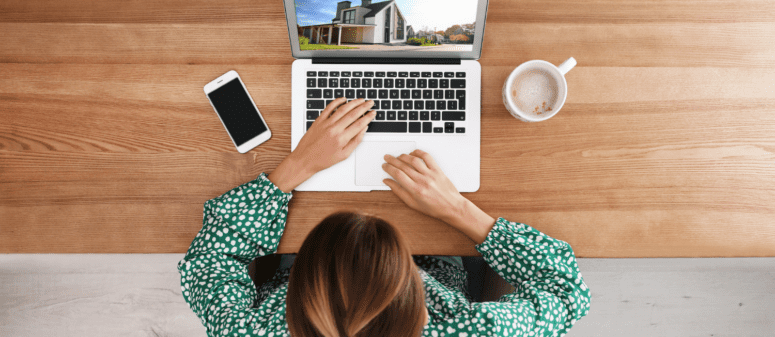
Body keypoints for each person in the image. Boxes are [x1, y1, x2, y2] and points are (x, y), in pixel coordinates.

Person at [178, 97, 591, 337]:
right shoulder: (466, 329)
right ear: (424, 311)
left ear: (292, 302)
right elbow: (567, 291)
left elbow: (209, 263)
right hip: (442, 260)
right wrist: (456, 208)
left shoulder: (251, 333)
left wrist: (298, 166)